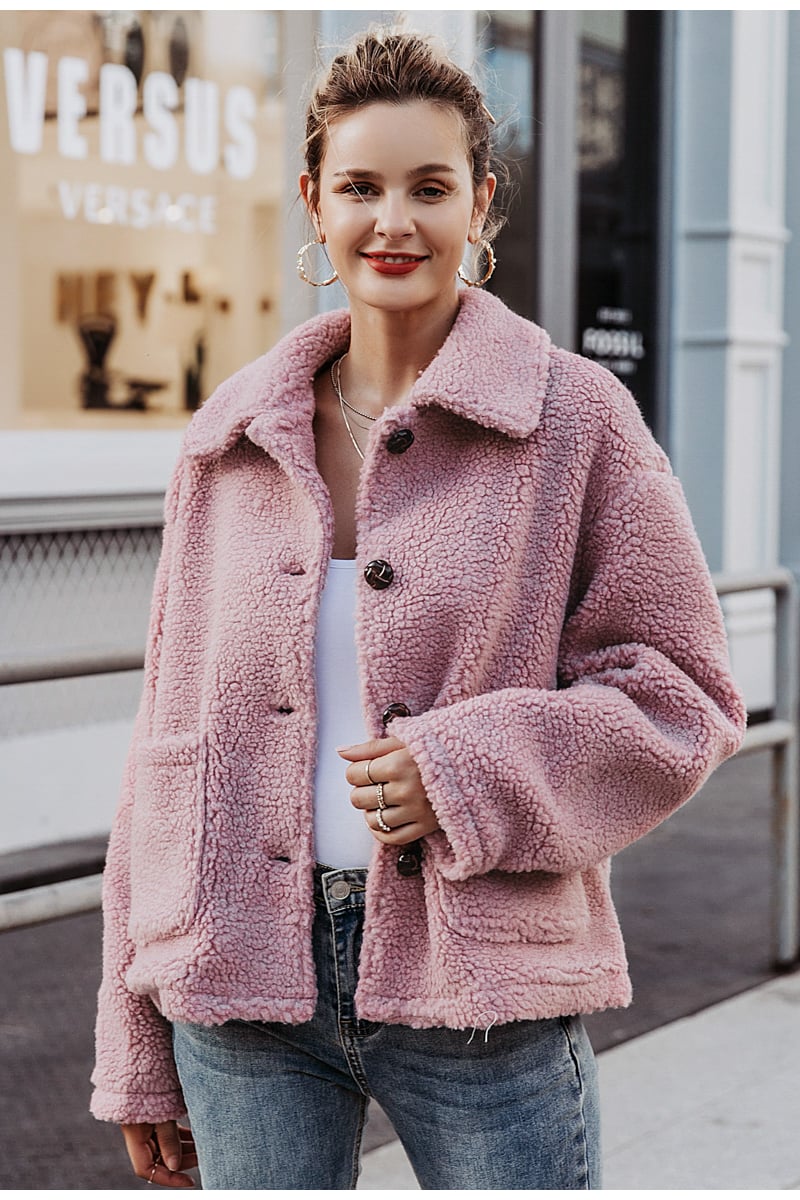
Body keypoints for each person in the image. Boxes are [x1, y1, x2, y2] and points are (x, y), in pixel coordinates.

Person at [90, 27, 746, 1191]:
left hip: (484, 990)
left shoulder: (573, 420)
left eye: (429, 187)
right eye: (359, 186)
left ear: (480, 202)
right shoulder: (230, 439)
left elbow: (682, 692)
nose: (392, 220)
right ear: (314, 202)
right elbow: (164, 755)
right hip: (239, 995)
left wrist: (464, 767)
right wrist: (135, 1039)